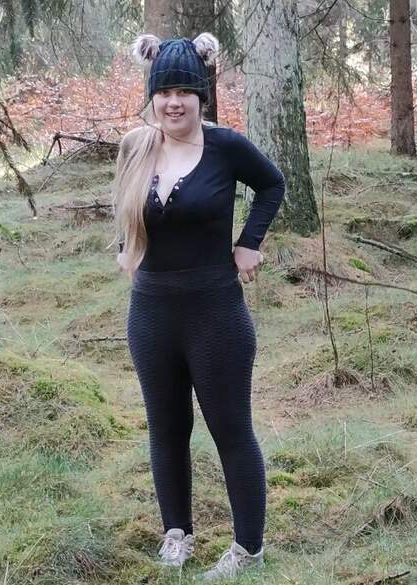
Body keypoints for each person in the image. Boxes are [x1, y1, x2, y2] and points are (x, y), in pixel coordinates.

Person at [111, 31, 286, 581]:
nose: (174, 103)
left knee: (231, 430)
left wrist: (249, 242)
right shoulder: (136, 146)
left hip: (215, 314)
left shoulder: (225, 146)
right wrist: (124, 247)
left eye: (185, 91)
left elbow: (273, 185)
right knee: (166, 429)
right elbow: (124, 205)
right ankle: (177, 535)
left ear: (201, 96)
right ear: (153, 96)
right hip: (151, 314)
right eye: (164, 92)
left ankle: (248, 550)